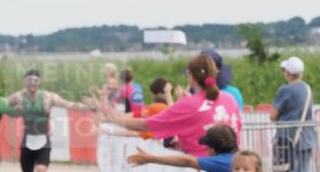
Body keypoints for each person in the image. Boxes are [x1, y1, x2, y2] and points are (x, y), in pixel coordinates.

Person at [98, 54, 241, 158]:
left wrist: (112, 118)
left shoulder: (188, 104)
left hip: (201, 169)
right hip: (232, 165)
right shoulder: (230, 99)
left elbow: (145, 126)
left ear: (191, 77)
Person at [6, 69, 93, 172]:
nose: (32, 83)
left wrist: (90, 107)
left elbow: (69, 104)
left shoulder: (49, 97)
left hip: (43, 140)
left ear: (39, 82)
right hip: (27, 141)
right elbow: (1, 106)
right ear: (25, 82)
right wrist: (13, 111)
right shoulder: (18, 97)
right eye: (29, 80)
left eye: (35, 80)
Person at [270, 56, 315, 172]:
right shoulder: (307, 88)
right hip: (307, 137)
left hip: (287, 138)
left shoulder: (285, 90)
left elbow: (273, 115)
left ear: (288, 73)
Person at [127, 124, 237, 172]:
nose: (206, 151)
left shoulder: (222, 161)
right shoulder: (234, 157)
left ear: (212, 150)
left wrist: (151, 158)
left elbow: (187, 161)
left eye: (207, 148)